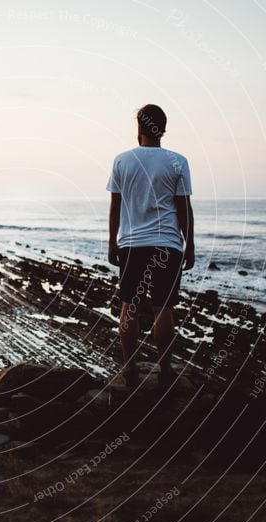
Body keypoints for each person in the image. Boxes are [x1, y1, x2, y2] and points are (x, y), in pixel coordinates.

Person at [106, 104, 194, 388]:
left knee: (129, 307)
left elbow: (115, 206)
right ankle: (165, 370)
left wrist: (112, 242)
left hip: (132, 245)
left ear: (140, 128)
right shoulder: (178, 161)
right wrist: (189, 244)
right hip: (167, 245)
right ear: (163, 129)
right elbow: (184, 209)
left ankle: (130, 369)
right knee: (163, 308)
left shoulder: (122, 160)